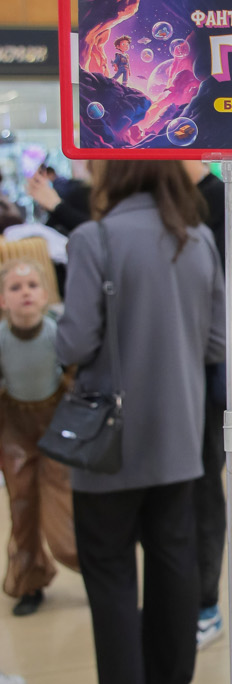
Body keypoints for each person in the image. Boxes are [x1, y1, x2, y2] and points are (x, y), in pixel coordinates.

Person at [56, 160, 225, 684]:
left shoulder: (93, 238)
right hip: (179, 433)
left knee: (109, 571)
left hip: (108, 440)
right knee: (174, 557)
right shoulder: (197, 240)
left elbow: (75, 342)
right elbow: (216, 342)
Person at [182, 160, 232, 651]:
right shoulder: (173, 198)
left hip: (205, 364)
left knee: (205, 484)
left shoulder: (218, 197)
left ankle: (205, 602)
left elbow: (224, 283)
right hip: (180, 364)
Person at [0, 262, 78, 618]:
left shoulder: (55, 332)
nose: (25, 293)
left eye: (32, 285)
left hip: (54, 428)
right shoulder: (2, 338)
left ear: (45, 295)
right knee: (22, 506)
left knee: (61, 504)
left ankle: (89, 562)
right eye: (15, 288)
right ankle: (30, 581)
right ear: (3, 300)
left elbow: (73, 373)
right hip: (15, 432)